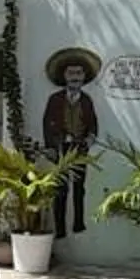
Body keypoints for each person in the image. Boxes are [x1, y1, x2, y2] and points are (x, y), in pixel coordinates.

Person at [41, 50, 100, 234]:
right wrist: (51, 147)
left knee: (79, 188)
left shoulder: (86, 100)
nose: (75, 78)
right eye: (71, 73)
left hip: (79, 149)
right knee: (61, 188)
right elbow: (46, 124)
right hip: (61, 148)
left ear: (84, 77)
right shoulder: (55, 99)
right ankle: (60, 228)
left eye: (79, 73)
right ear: (64, 76)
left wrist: (89, 140)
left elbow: (93, 125)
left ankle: (78, 224)